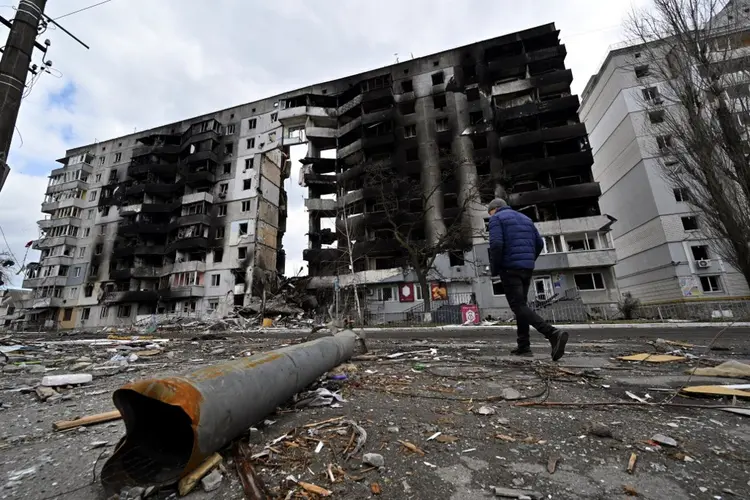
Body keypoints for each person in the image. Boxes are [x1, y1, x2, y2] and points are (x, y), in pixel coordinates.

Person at [487, 198, 568, 360]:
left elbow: (496, 244)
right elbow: (539, 243)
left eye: (490, 213)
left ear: (495, 209)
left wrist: (495, 268)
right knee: (521, 306)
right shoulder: (526, 219)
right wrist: (529, 260)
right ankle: (523, 346)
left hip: (509, 267)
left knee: (517, 305)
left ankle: (552, 333)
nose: (490, 216)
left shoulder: (497, 219)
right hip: (526, 267)